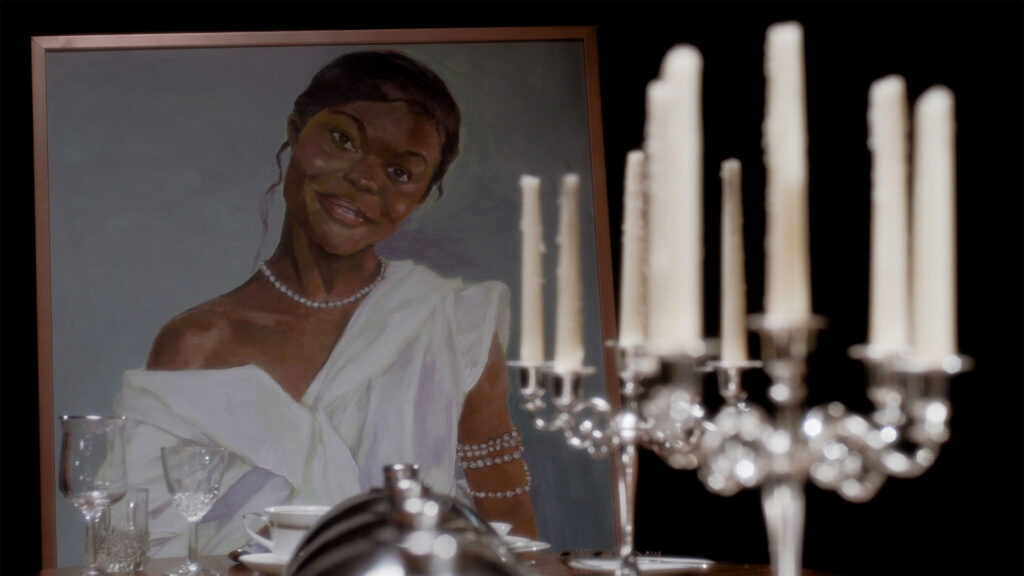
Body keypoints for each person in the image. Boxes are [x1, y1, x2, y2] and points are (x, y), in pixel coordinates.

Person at [114, 50, 538, 557]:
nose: (365, 178)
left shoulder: (452, 327)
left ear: (421, 197)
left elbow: (516, 543)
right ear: (296, 130)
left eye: (401, 173)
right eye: (342, 139)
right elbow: (131, 547)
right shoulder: (197, 343)